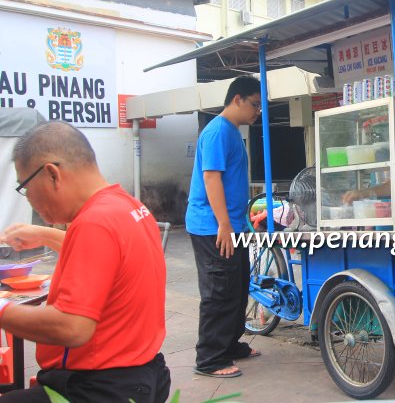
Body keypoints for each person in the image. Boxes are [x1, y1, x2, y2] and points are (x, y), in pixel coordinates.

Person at [0, 121, 170, 402]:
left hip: (97, 387)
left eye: (25, 187)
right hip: (142, 375)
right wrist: (44, 234)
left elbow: (71, 327)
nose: (28, 199)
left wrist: (3, 308)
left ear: (52, 174)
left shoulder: (94, 222)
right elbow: (109, 259)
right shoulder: (128, 206)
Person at [186, 76, 262, 378]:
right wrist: (225, 225)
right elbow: (211, 179)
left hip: (233, 226)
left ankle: (229, 345)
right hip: (213, 227)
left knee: (237, 288)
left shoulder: (232, 132)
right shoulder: (217, 131)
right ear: (237, 99)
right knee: (219, 291)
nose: (257, 112)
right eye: (254, 105)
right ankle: (209, 358)